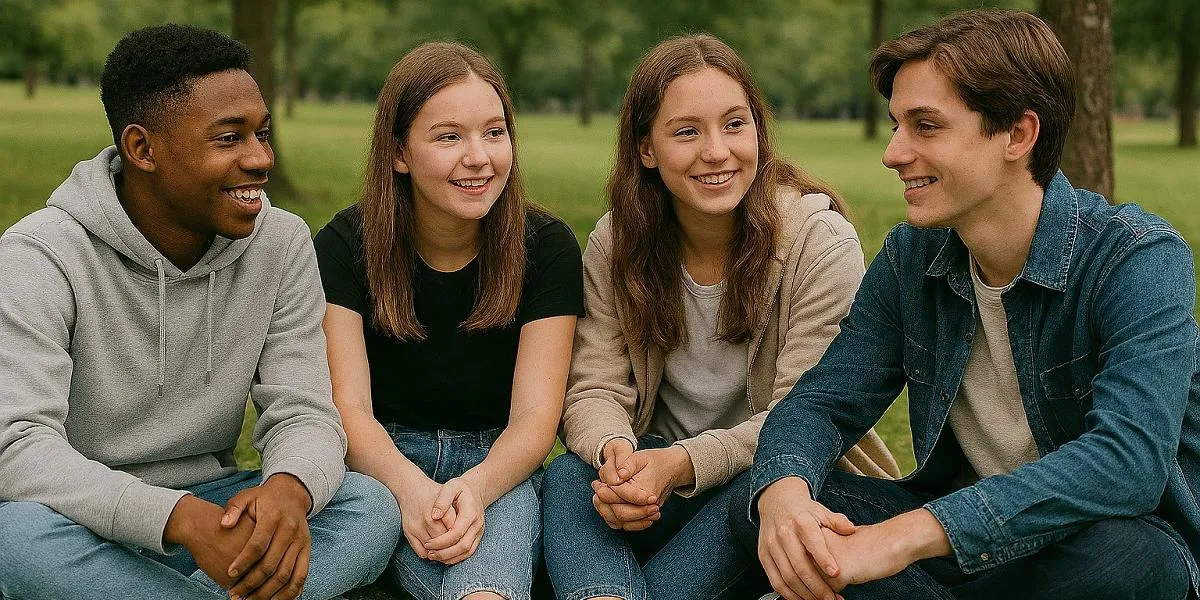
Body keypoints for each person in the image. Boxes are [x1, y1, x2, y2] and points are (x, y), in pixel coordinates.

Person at [737, 9, 1199, 600]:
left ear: (1018, 135)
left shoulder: (1136, 258)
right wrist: (783, 493)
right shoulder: (914, 256)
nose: (893, 153)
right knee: (769, 510)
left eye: (925, 126)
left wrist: (905, 538)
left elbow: (1128, 463)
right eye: (896, 125)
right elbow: (822, 403)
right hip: (964, 549)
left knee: (1130, 561)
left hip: (1085, 546)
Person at [0, 24, 400, 600]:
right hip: (81, 516)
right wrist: (177, 519)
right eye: (229, 139)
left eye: (262, 134)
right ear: (143, 150)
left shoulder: (281, 242)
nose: (261, 158)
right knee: (15, 535)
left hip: (219, 508)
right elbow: (18, 448)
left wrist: (288, 488)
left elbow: (304, 412)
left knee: (369, 505)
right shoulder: (41, 255)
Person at [542, 34, 900, 600]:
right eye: (688, 131)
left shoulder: (818, 241)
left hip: (782, 490)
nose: (717, 151)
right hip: (658, 484)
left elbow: (800, 420)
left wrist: (680, 464)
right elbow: (593, 385)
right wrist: (616, 454)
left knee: (753, 493)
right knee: (568, 477)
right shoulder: (618, 242)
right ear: (646, 149)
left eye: (735, 124)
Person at [313, 42, 583, 600]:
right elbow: (350, 414)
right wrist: (411, 492)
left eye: (494, 131)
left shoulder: (548, 248)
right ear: (399, 153)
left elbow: (534, 425)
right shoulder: (345, 245)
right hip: (380, 468)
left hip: (497, 468)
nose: (479, 156)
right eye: (448, 136)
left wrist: (476, 489)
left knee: (484, 590)